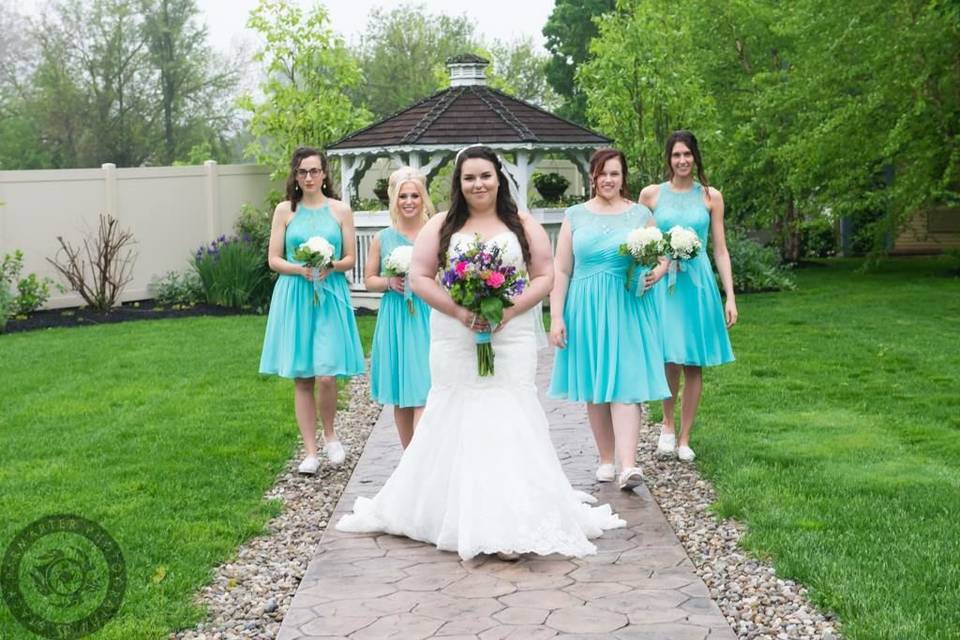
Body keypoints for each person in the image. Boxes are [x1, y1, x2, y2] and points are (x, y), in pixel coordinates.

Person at [337, 145, 625, 560]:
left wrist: (508, 311)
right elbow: (420, 276)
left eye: (485, 176)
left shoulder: (521, 223)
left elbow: (544, 276)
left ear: (499, 178)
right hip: (455, 337)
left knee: (508, 411)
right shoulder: (442, 225)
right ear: (459, 183)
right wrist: (459, 310)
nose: (478, 184)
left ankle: (510, 517)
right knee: (457, 411)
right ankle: (452, 510)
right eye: (469, 177)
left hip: (510, 337)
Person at [548, 148, 672, 490]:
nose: (608, 180)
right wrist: (556, 315)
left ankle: (628, 465)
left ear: (623, 178)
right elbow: (561, 268)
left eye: (614, 174)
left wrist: (657, 272)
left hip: (627, 304)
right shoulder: (575, 215)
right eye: (602, 173)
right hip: (586, 304)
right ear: (593, 177)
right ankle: (606, 458)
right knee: (596, 383)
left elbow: (662, 257)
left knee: (627, 381)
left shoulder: (640, 215)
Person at [259, 146, 365, 475]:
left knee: (327, 373)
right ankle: (310, 451)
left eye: (314, 171)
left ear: (324, 174)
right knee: (303, 376)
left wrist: (329, 265)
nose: (308, 177)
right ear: (295, 175)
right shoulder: (284, 212)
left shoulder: (340, 211)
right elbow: (274, 259)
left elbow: (350, 258)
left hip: (329, 292)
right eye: (302, 172)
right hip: (296, 294)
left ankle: (331, 435)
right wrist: (300, 269)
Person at [639, 130, 737, 462]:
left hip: (697, 283)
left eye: (688, 154)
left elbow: (720, 250)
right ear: (669, 159)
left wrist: (730, 296)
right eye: (676, 155)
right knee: (670, 356)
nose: (682, 161)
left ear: (695, 157)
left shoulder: (711, 197)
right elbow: (645, 244)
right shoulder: (651, 195)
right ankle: (666, 424)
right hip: (666, 285)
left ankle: (685, 437)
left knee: (694, 360)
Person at [364, 167, 435, 448]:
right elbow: (369, 280)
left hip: (427, 314)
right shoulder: (383, 238)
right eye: (403, 196)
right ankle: (409, 460)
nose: (409, 201)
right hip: (395, 317)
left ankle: (422, 459)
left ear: (423, 198)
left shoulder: (434, 233)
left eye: (415, 195)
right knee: (402, 395)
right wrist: (388, 281)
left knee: (425, 390)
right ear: (394, 199)